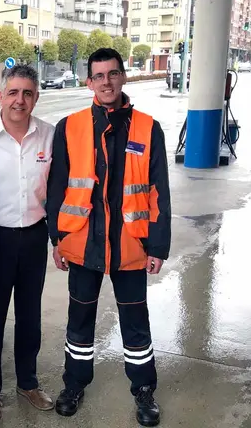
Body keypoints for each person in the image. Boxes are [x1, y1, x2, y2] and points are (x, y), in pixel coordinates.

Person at [46, 48, 171, 427]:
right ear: (89, 82)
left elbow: (159, 190)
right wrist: (58, 238)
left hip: (132, 243)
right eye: (98, 76)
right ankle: (74, 384)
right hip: (83, 243)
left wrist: (158, 245)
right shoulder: (70, 126)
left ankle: (144, 390)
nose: (106, 82)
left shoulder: (149, 128)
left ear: (123, 77)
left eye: (113, 74)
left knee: (136, 321)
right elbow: (57, 188)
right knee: (79, 319)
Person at [0, 64, 56, 422]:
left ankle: (28, 382)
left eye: (28, 93)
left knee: (30, 316)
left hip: (34, 236)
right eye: (14, 93)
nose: (20, 100)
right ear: (0, 96)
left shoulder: (50, 136)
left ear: (36, 97)